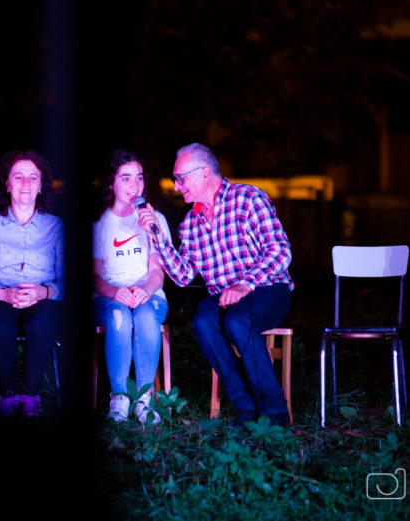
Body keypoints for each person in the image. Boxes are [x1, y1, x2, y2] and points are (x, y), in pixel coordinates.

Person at [137, 142, 293, 428]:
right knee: (203, 321)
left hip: (267, 288)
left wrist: (246, 284)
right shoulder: (190, 223)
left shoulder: (249, 199)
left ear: (204, 173)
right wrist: (157, 237)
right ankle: (246, 408)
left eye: (180, 178)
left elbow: (281, 251)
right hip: (225, 296)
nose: (175, 186)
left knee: (237, 320)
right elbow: (183, 275)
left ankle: (274, 414)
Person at [0, 149, 64, 418]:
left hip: (43, 298)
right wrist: (3, 293)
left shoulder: (56, 226)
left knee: (42, 321)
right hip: (0, 297)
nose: (25, 183)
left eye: (33, 177)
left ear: (41, 185)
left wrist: (43, 291)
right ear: (7, 185)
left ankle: (31, 397)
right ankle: (8, 397)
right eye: (18, 177)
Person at [93, 149, 172, 424]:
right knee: (120, 315)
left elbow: (157, 271)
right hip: (108, 297)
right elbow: (95, 277)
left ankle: (144, 398)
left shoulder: (154, 219)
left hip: (149, 294)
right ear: (111, 183)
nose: (134, 185)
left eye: (138, 178)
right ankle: (119, 398)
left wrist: (145, 291)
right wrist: (117, 293)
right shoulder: (100, 224)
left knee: (146, 313)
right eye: (125, 178)